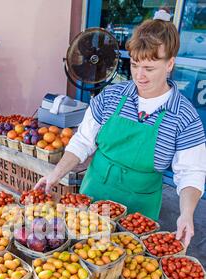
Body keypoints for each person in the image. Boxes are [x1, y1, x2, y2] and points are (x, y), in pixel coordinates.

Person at [35, 9, 206, 248]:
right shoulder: (111, 96)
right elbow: (82, 141)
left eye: (149, 68)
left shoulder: (184, 116)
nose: (139, 75)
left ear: (170, 64)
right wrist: (56, 175)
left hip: (139, 211)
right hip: (93, 197)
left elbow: (191, 173)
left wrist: (186, 213)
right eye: (135, 65)